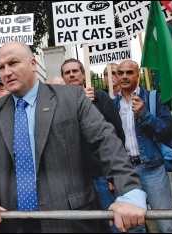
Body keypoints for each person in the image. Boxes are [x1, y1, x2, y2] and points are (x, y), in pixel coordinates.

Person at [0, 41, 147, 233]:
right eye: (1, 67)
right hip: (13, 221)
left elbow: (105, 141)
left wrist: (129, 191)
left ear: (32, 64)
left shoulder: (72, 98)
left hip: (69, 219)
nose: (6, 72)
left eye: (13, 63)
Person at [60, 58, 125, 233]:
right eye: (67, 72)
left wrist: (113, 173)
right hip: (76, 180)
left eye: (75, 71)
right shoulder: (59, 105)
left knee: (113, 225)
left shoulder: (100, 97)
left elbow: (116, 135)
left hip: (102, 176)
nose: (72, 75)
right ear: (63, 78)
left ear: (83, 74)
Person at [113, 60, 172, 233]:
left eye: (129, 72)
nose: (125, 76)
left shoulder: (154, 98)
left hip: (153, 169)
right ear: (116, 77)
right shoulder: (112, 105)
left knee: (166, 224)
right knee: (134, 227)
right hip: (126, 173)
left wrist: (144, 115)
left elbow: (169, 130)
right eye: (121, 73)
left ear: (138, 75)